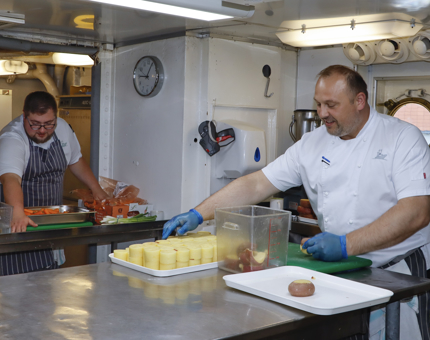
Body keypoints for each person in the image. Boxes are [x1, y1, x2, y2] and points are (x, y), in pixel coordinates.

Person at [163, 65, 430, 340]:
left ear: (359, 101)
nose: (322, 113)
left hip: (396, 271)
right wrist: (199, 213)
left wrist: (345, 244)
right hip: (342, 269)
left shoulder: (402, 138)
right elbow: (256, 184)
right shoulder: (311, 144)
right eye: (318, 104)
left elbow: (416, 212)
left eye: (331, 105)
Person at [0, 91, 108, 275]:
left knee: (49, 277)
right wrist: (17, 212)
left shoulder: (63, 129)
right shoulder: (12, 139)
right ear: (24, 116)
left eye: (49, 124)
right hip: (20, 224)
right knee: (15, 283)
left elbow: (75, 161)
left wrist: (97, 189)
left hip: (51, 222)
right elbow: (10, 179)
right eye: (35, 125)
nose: (42, 130)